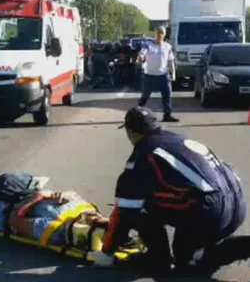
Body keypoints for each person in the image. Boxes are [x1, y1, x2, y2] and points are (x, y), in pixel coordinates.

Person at [92, 106, 248, 276]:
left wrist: (108, 250)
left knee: (141, 205)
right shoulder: (177, 139)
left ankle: (158, 257)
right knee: (185, 256)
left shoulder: (144, 153)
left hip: (211, 211)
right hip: (237, 206)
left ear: (131, 132)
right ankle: (229, 247)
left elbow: (124, 209)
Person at [137, 26, 179, 122]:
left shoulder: (167, 46)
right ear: (154, 34)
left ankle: (167, 115)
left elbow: (170, 61)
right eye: (158, 33)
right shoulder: (148, 45)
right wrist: (141, 56)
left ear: (164, 34)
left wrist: (173, 74)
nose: (160, 35)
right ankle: (137, 113)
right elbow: (143, 53)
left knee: (167, 95)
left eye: (162, 33)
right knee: (145, 96)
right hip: (150, 75)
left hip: (163, 75)